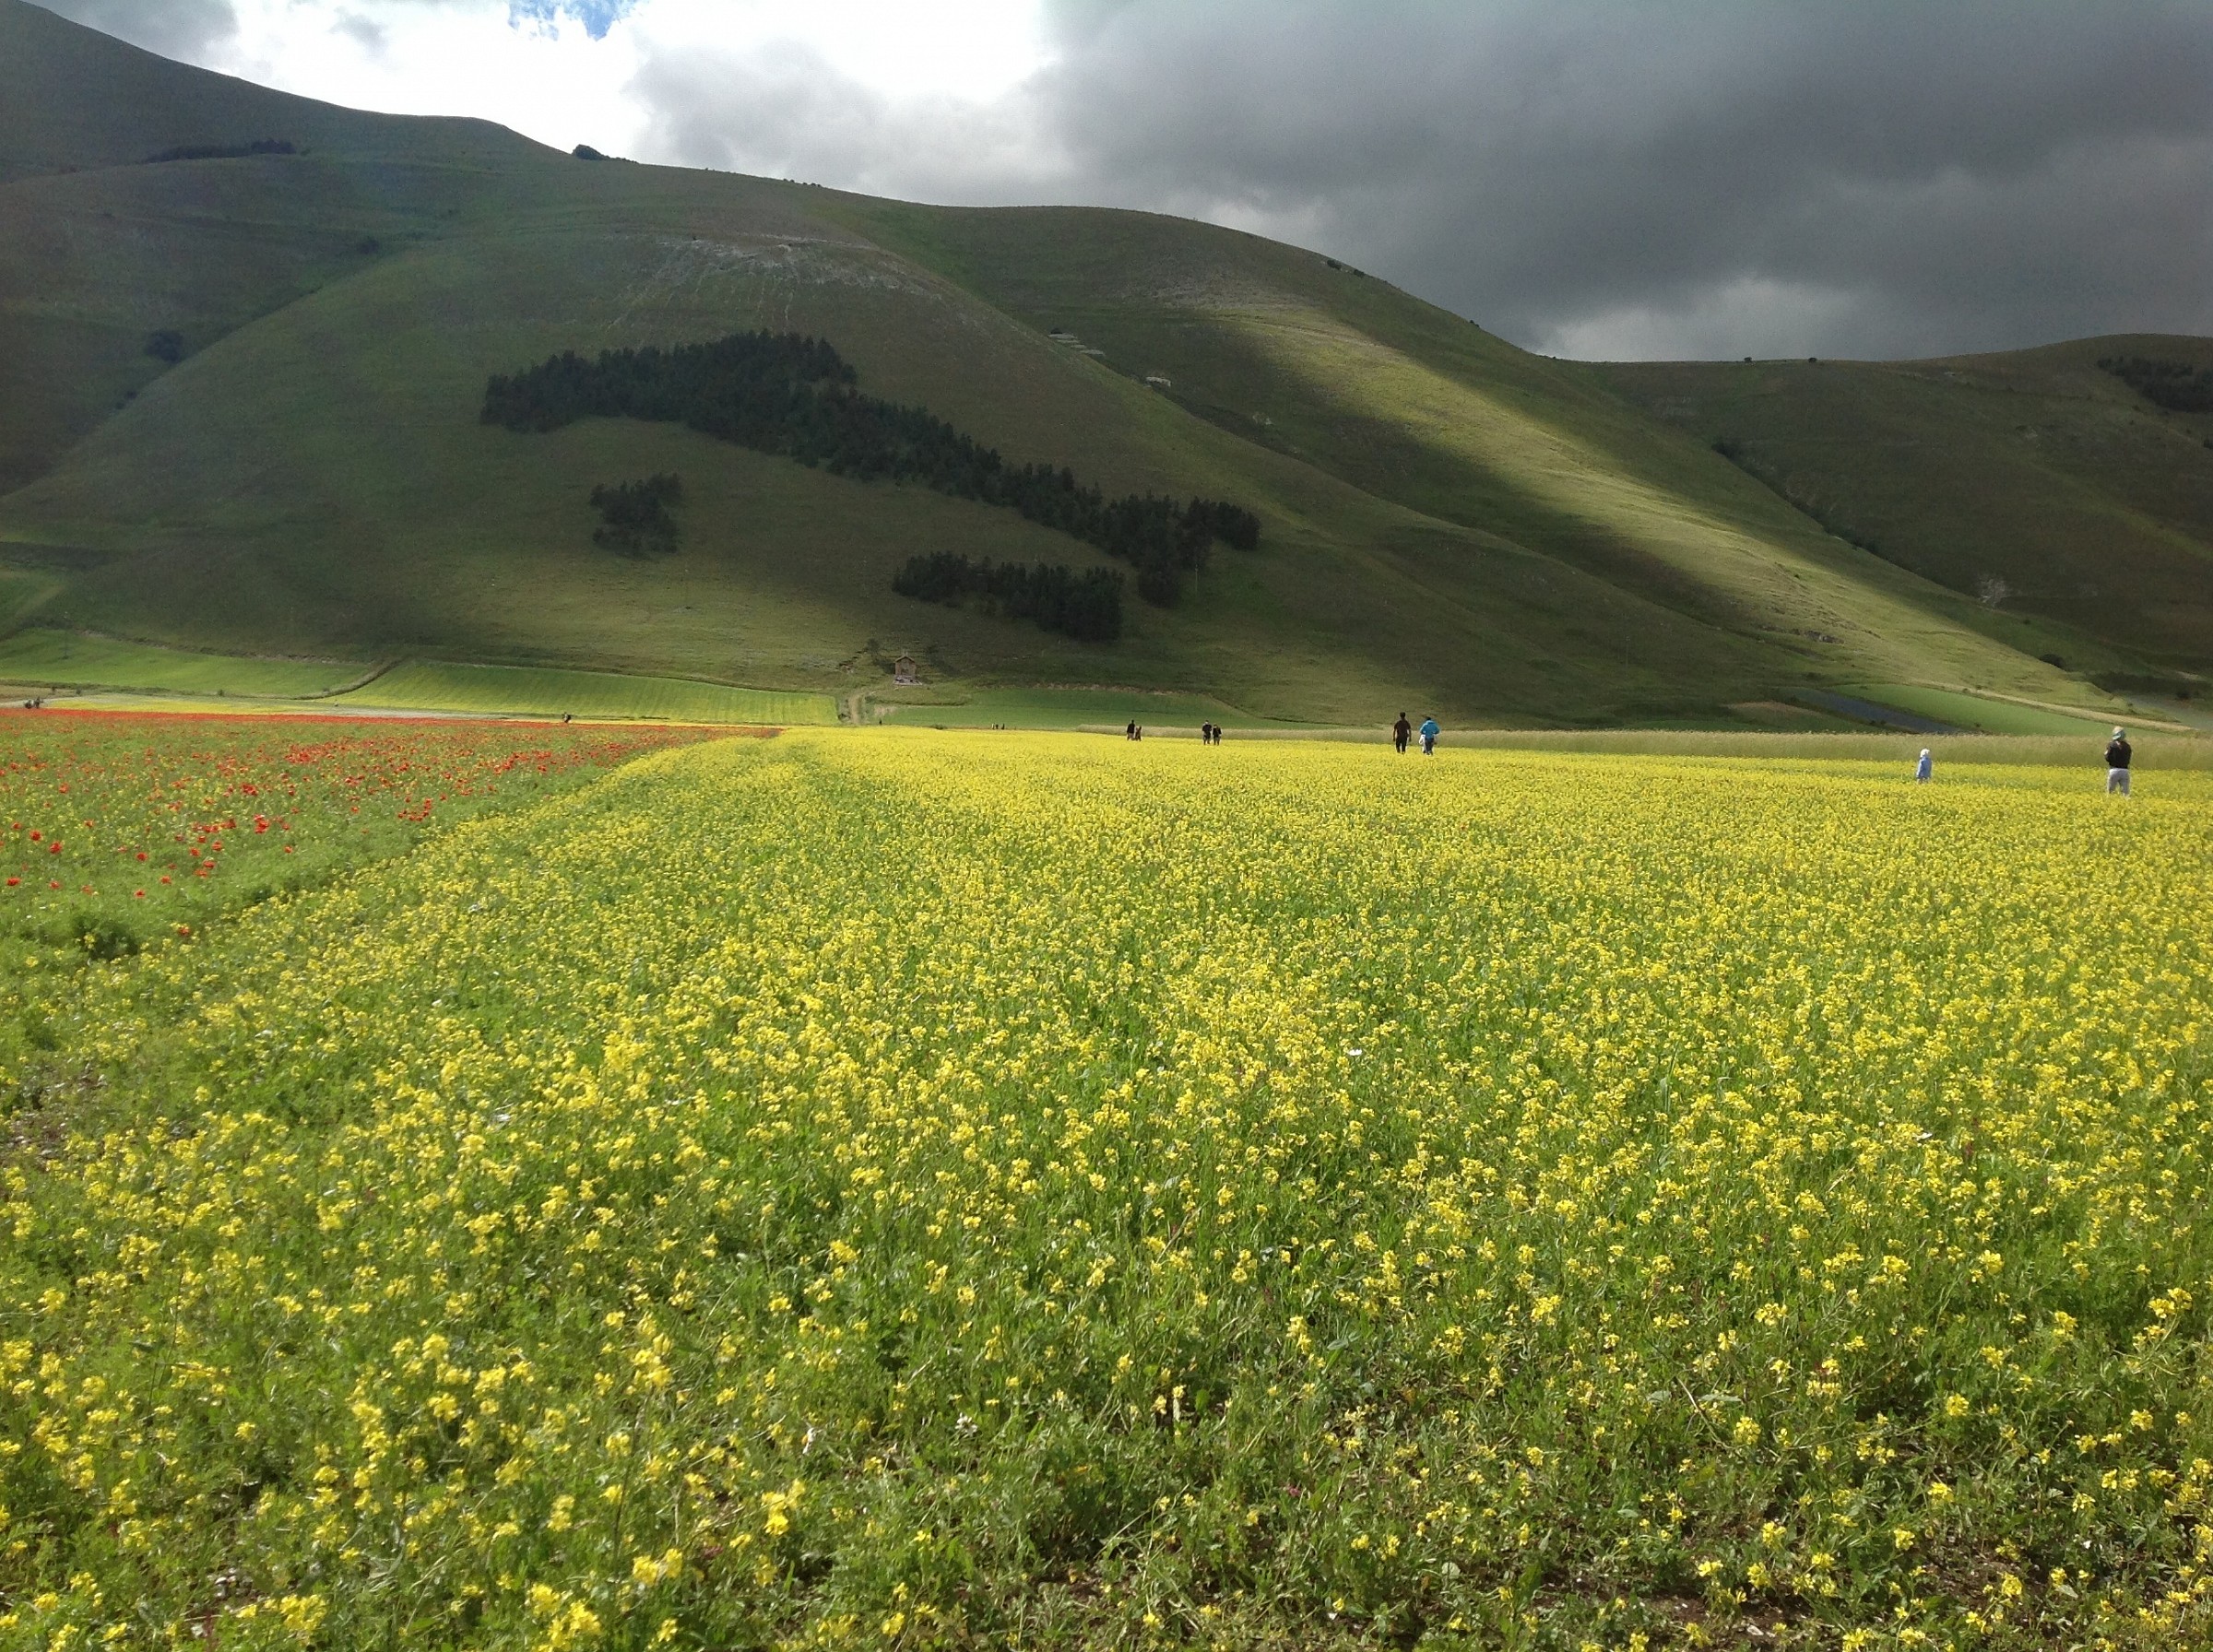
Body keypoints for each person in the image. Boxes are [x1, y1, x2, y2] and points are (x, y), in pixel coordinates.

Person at [2106, 726, 2132, 796]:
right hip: (2125, 771)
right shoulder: (2127, 746)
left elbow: (2107, 758)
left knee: (2111, 792)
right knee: (2125, 793)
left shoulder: (2111, 745)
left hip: (2114, 770)